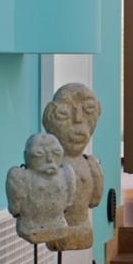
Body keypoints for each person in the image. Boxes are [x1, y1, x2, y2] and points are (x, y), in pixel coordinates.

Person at [41, 83, 104, 250]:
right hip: (56, 230)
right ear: (50, 116)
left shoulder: (90, 165)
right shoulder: (50, 167)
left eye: (88, 110)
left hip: (83, 228)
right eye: (64, 113)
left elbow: (95, 200)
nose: (78, 119)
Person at [6, 133, 76, 244]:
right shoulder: (20, 177)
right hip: (30, 225)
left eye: (55, 152)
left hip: (59, 223)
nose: (49, 159)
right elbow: (15, 209)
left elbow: (68, 203)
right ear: (27, 156)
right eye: (39, 154)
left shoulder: (66, 173)